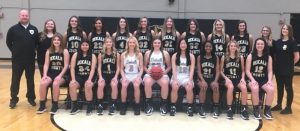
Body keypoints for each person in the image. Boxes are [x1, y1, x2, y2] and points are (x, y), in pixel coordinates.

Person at [6, 9, 39, 108]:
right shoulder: (13, 29)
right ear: (19, 16)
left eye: (26, 15)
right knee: (15, 80)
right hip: (17, 60)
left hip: (30, 60)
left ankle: (31, 98)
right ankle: (13, 99)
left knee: (30, 80)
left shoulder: (34, 29)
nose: (24, 17)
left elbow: (36, 43)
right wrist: (15, 51)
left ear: (28, 17)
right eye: (22, 15)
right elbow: (8, 42)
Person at [36, 33, 69, 114]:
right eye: (54, 40)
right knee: (43, 83)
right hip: (51, 73)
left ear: (61, 41)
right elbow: (46, 64)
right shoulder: (49, 51)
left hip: (62, 74)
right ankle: (42, 105)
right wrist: (44, 75)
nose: (56, 41)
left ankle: (55, 105)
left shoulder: (65, 51)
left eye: (58, 40)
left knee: (55, 84)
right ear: (52, 41)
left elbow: (66, 66)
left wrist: (60, 76)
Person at [271, 24, 299, 114]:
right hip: (278, 69)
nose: (284, 30)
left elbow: (297, 57)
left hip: (288, 70)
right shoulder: (278, 41)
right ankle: (279, 105)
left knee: (288, 88)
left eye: (286, 29)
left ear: (289, 31)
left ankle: (288, 107)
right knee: (279, 87)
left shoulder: (292, 42)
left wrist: (290, 64)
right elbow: (275, 55)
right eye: (283, 28)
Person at [246, 38, 274, 120]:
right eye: (258, 44)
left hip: (263, 79)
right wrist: (253, 80)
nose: (260, 45)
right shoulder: (250, 56)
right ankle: (256, 109)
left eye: (262, 44)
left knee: (271, 89)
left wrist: (269, 80)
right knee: (255, 88)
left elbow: (270, 71)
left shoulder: (268, 57)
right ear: (255, 45)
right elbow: (247, 71)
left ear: (264, 45)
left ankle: (267, 110)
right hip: (252, 79)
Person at [220, 41, 249, 120]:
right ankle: (229, 109)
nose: (233, 47)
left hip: (238, 78)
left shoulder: (241, 57)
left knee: (244, 87)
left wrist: (243, 78)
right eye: (231, 46)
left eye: (234, 46)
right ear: (228, 47)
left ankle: (244, 109)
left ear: (237, 47)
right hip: (228, 78)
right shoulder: (224, 57)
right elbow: (220, 71)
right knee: (230, 87)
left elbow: (243, 71)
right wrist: (226, 78)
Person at [143, 38, 171, 116]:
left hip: (162, 74)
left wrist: (164, 73)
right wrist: (148, 71)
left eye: (159, 43)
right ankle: (149, 105)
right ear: (152, 43)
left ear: (161, 44)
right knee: (147, 82)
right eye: (155, 43)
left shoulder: (165, 53)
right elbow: (144, 66)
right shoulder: (148, 53)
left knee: (165, 83)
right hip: (150, 74)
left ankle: (163, 105)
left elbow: (169, 66)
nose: (157, 44)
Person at [69, 41, 97, 115]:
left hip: (89, 76)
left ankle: (89, 106)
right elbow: (72, 68)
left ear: (89, 46)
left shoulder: (93, 55)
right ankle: (75, 106)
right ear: (80, 46)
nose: (85, 46)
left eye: (86, 45)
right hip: (78, 76)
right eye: (83, 45)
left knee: (88, 85)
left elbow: (93, 69)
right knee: (72, 85)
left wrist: (89, 79)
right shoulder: (76, 54)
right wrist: (73, 79)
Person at [170, 39, 195, 116]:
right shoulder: (175, 55)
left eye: (184, 43)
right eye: (181, 43)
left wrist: (190, 80)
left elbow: (192, 70)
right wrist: (175, 79)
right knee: (174, 86)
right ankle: (173, 107)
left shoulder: (191, 56)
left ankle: (190, 107)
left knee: (189, 87)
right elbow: (173, 69)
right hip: (176, 76)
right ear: (179, 45)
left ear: (187, 45)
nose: (183, 45)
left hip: (187, 77)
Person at [120, 36, 143, 115]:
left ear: (136, 44)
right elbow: (121, 69)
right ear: (127, 44)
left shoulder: (139, 54)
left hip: (136, 74)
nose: (132, 44)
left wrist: (138, 77)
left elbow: (141, 68)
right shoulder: (123, 54)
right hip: (126, 74)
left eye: (133, 42)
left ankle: (137, 105)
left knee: (136, 85)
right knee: (124, 84)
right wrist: (123, 77)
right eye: (130, 42)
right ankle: (123, 105)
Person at [97, 37, 120, 115]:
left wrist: (116, 77)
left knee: (114, 85)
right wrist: (100, 77)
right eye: (107, 42)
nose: (108, 43)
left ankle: (113, 105)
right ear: (105, 44)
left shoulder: (116, 54)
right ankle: (100, 105)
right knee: (100, 85)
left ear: (112, 43)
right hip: (104, 74)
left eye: (110, 42)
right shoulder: (101, 54)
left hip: (113, 74)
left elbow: (118, 67)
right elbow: (99, 67)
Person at [197, 41, 220, 118]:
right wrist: (202, 81)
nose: (208, 48)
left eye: (210, 46)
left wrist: (216, 81)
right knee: (203, 87)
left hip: (212, 78)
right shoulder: (200, 57)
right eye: (206, 46)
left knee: (215, 87)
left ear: (212, 48)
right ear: (204, 47)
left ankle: (216, 107)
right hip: (201, 78)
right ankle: (201, 107)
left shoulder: (215, 57)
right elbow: (199, 71)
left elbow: (217, 71)